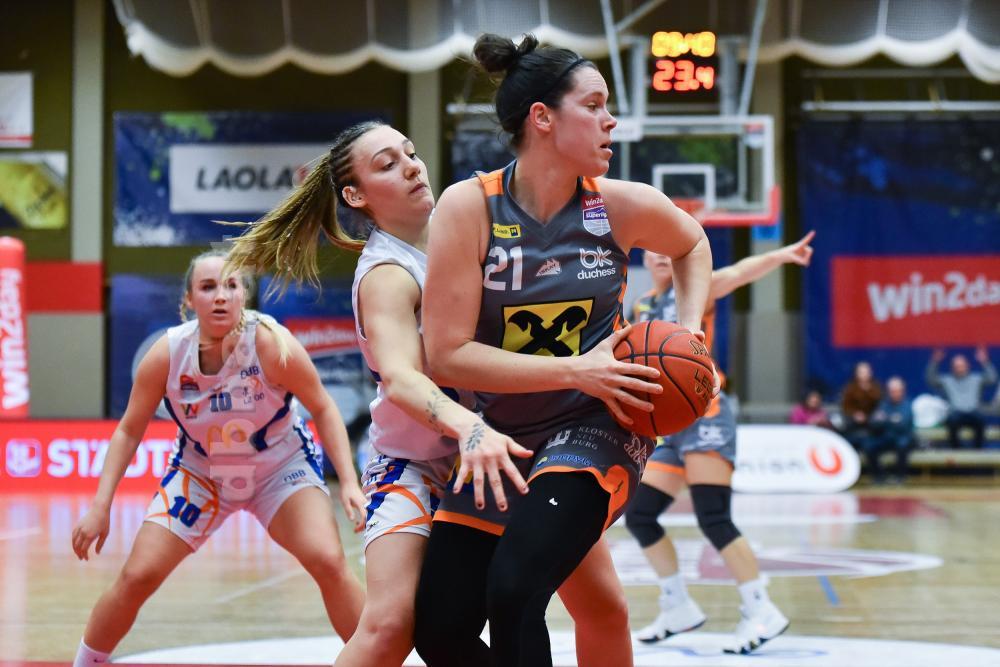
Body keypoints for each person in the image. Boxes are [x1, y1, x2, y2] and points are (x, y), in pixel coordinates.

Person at [225, 121, 637, 666]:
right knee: (390, 625)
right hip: (421, 462)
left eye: (410, 153)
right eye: (387, 164)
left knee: (602, 607)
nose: (412, 167)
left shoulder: (471, 226)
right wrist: (470, 428)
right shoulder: (388, 273)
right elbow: (400, 378)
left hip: (511, 444)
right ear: (356, 196)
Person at [413, 34, 716, 667]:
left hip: (599, 423)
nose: (611, 121)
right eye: (595, 105)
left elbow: (691, 243)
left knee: (515, 589)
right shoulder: (468, 208)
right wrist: (577, 368)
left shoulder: (619, 205)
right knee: (439, 629)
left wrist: (690, 332)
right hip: (504, 437)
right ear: (542, 118)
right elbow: (446, 355)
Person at [70, 251, 366, 667]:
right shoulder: (168, 354)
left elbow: (323, 406)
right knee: (138, 575)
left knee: (329, 561)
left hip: (278, 468)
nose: (221, 296)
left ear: (244, 294)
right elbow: (128, 430)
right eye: (208, 287)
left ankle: (377, 659)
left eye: (231, 285)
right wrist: (100, 507)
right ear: (189, 300)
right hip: (202, 473)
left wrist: (349, 481)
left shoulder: (271, 343)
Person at [625, 233, 813, 654]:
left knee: (713, 517)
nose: (660, 255)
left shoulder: (696, 288)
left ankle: (761, 608)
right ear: (644, 258)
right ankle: (677, 605)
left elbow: (740, 272)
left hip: (706, 414)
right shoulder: (640, 307)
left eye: (667, 249)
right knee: (639, 515)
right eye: (653, 250)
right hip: (668, 423)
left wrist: (782, 255)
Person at [926, 347, 997, 449]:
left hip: (973, 413)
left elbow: (992, 379)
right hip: (956, 414)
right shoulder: (947, 380)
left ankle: (977, 452)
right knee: (951, 423)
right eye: (956, 366)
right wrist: (935, 361)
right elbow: (931, 380)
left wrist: (985, 362)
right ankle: (957, 451)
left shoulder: (976, 379)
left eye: (961, 366)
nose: (959, 368)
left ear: (967, 366)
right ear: (952, 368)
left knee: (980, 422)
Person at [868, 376, 915, 483]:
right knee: (869, 445)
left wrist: (885, 419)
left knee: (902, 445)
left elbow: (903, 425)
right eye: (892, 391)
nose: (895, 393)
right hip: (887, 437)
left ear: (902, 391)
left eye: (897, 391)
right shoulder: (883, 404)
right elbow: (874, 423)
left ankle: (900, 477)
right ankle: (879, 476)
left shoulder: (907, 405)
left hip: (903, 438)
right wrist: (892, 419)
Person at [839, 361, 882, 452]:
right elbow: (845, 407)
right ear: (856, 374)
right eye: (861, 372)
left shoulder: (877, 388)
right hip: (853, 427)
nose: (864, 375)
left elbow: (880, 406)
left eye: (867, 372)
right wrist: (854, 414)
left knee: (872, 446)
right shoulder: (849, 388)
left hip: (871, 428)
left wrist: (870, 416)